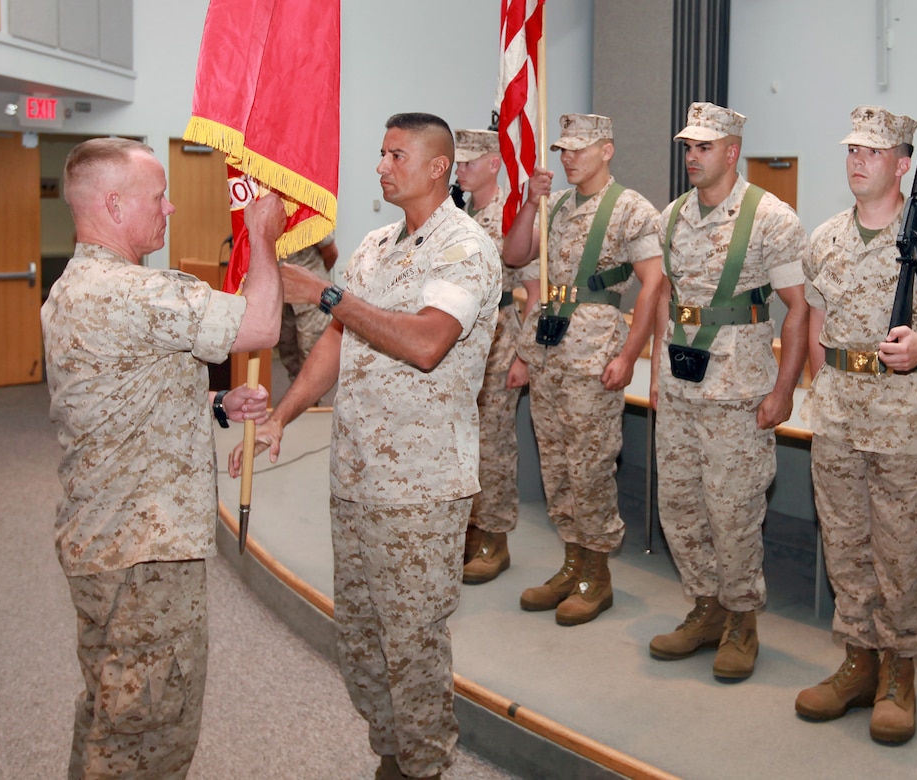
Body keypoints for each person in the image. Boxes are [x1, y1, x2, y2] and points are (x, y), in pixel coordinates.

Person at [230, 112, 500, 780]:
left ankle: (424, 764)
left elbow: (427, 342)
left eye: (396, 155)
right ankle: (392, 756)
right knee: (360, 640)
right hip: (355, 474)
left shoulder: (463, 247)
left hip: (421, 485)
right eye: (380, 153)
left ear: (438, 167)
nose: (380, 166)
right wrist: (287, 412)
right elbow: (336, 341)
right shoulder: (375, 245)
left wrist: (327, 293)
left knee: (412, 645)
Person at [41, 137, 284, 778]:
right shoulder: (132, 292)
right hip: (143, 555)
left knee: (108, 709)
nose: (171, 207)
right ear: (115, 205)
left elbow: (121, 392)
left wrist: (217, 404)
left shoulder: (74, 287)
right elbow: (260, 326)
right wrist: (261, 236)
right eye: (158, 196)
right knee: (146, 736)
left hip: (100, 539)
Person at [794, 106, 917, 743]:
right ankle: (857, 662)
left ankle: (899, 672)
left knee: (902, 554)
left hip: (909, 423)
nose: (856, 161)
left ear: (904, 164)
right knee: (845, 547)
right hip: (840, 418)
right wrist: (821, 382)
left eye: (872, 152)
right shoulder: (823, 238)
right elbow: (815, 318)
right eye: (852, 149)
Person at [647, 102, 809, 680]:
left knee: (732, 510)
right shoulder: (671, 217)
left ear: (732, 151)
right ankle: (706, 606)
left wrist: (785, 388)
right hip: (681, 385)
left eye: (704, 147)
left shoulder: (771, 219)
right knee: (680, 505)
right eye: (688, 147)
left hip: (739, 393)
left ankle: (742, 619)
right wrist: (655, 376)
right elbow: (667, 297)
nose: (692, 157)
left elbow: (798, 309)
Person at [501, 113, 664, 626]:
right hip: (550, 350)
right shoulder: (558, 205)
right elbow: (516, 254)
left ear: (607, 150)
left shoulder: (630, 209)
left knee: (591, 467)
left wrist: (628, 356)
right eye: (564, 149)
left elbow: (653, 284)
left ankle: (598, 573)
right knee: (557, 465)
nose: (568, 157)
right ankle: (571, 563)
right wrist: (532, 202)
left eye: (580, 149)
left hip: (594, 354)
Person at [453, 127, 538, 585]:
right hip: (462, 344)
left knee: (494, 446)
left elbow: (536, 290)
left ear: (492, 163)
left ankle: (494, 537)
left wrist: (524, 355)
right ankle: (467, 527)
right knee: (464, 443)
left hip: (501, 339)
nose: (460, 170)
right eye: (458, 163)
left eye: (468, 162)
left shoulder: (511, 215)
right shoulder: (462, 213)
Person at [276, 232, 339, 381]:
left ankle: (312, 401)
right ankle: (299, 396)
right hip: (284, 297)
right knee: (288, 351)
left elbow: (331, 254)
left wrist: (314, 282)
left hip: (310, 299)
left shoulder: (309, 213)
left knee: (311, 353)